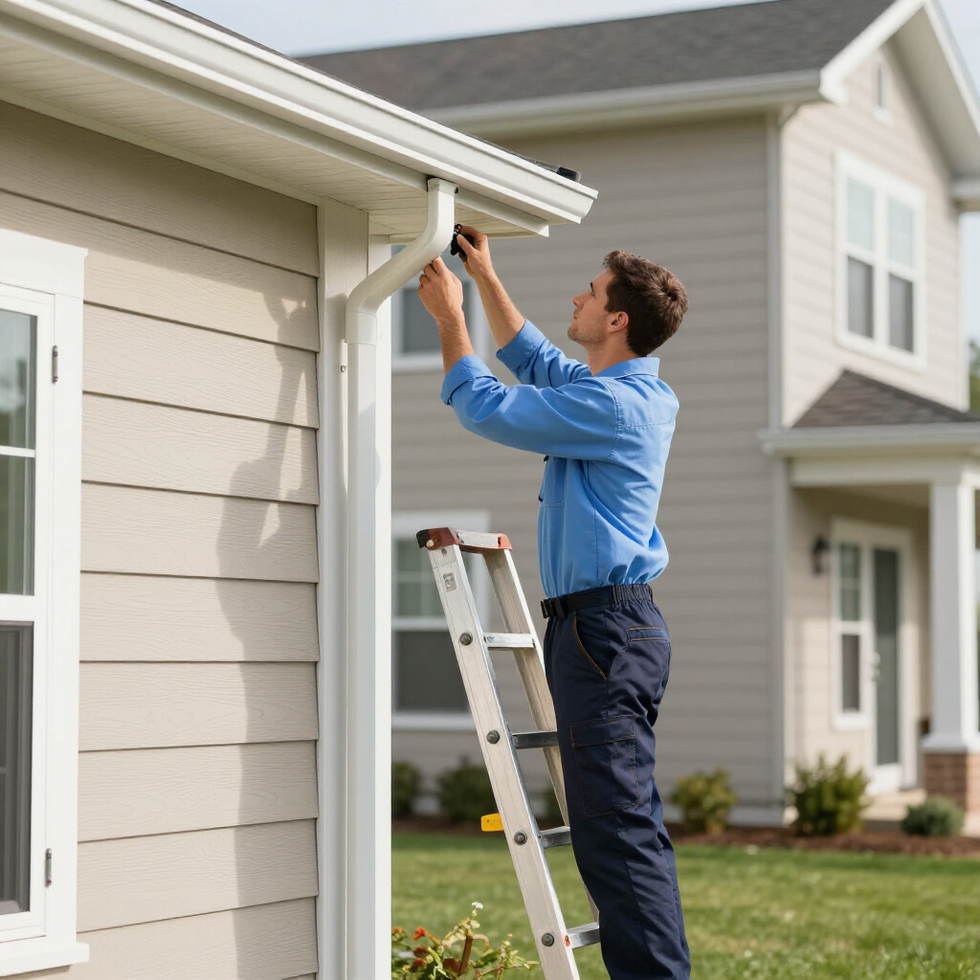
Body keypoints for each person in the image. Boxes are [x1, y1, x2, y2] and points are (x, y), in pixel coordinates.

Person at [417, 226, 690, 980]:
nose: (577, 296)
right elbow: (535, 358)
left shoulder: (614, 409)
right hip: (604, 628)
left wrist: (448, 318)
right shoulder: (627, 393)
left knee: (617, 834)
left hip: (602, 632)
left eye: (591, 292)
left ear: (616, 321)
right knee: (617, 826)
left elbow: (485, 408)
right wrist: (484, 277)